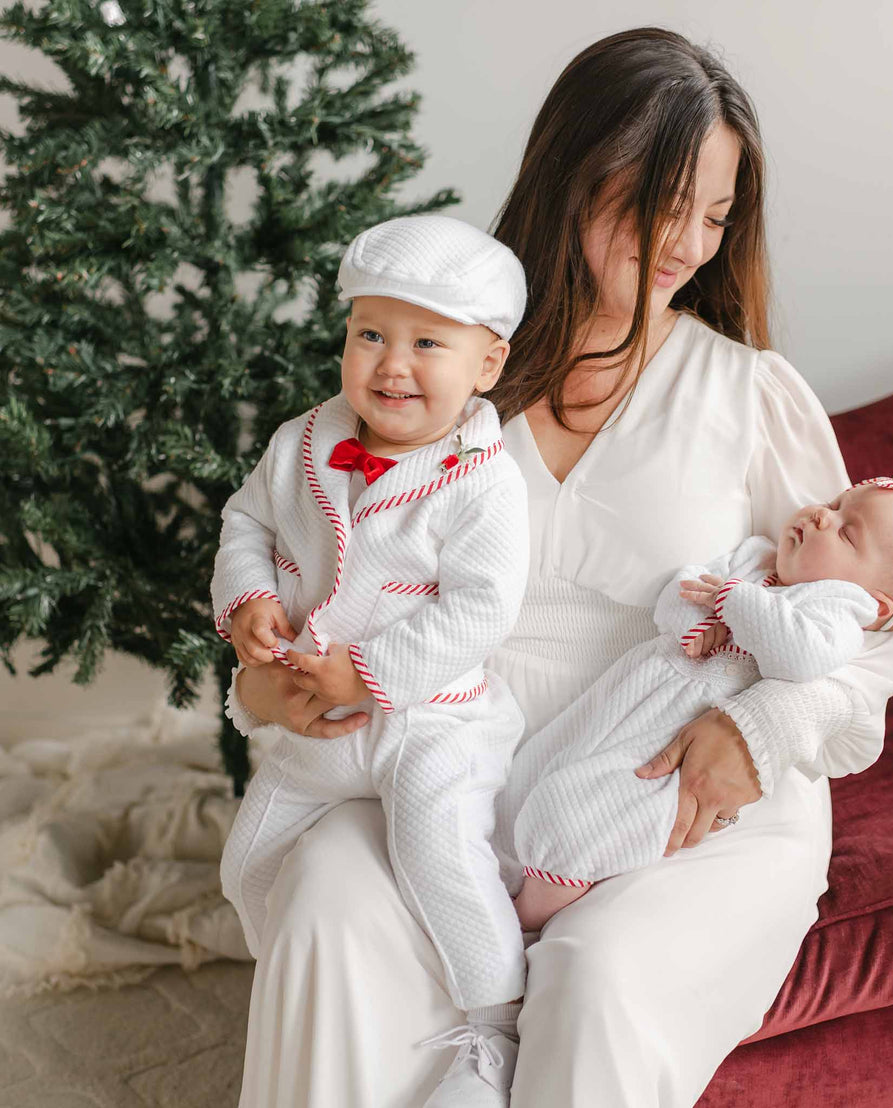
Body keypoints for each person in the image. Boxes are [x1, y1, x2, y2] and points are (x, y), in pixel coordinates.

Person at [226, 26, 893, 1108]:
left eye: (717, 215)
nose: (689, 241)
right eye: (663, 201)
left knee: (596, 977)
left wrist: (760, 730)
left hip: (673, 793)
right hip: (458, 765)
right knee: (326, 898)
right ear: (574, 173)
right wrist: (267, 677)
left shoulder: (746, 392)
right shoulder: (443, 375)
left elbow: (867, 630)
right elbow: (315, 563)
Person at [211, 216, 534, 1105]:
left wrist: (377, 671)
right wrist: (248, 602)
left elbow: (481, 609)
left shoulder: (484, 480)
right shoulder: (302, 443)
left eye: (428, 342)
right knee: (246, 862)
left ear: (486, 367)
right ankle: (292, 975)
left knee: (440, 858)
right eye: (370, 336)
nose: (393, 364)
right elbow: (247, 524)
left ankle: (496, 1019)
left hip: (434, 720)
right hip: (327, 716)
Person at [507, 470, 893, 929]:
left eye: (846, 533)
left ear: (875, 604)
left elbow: (799, 657)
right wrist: (697, 622)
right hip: (635, 692)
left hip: (681, 733)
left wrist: (732, 604)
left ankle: (536, 913)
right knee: (548, 759)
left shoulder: (837, 611)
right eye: (835, 503)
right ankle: (519, 863)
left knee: (584, 814)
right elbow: (681, 590)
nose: (823, 515)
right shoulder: (756, 555)